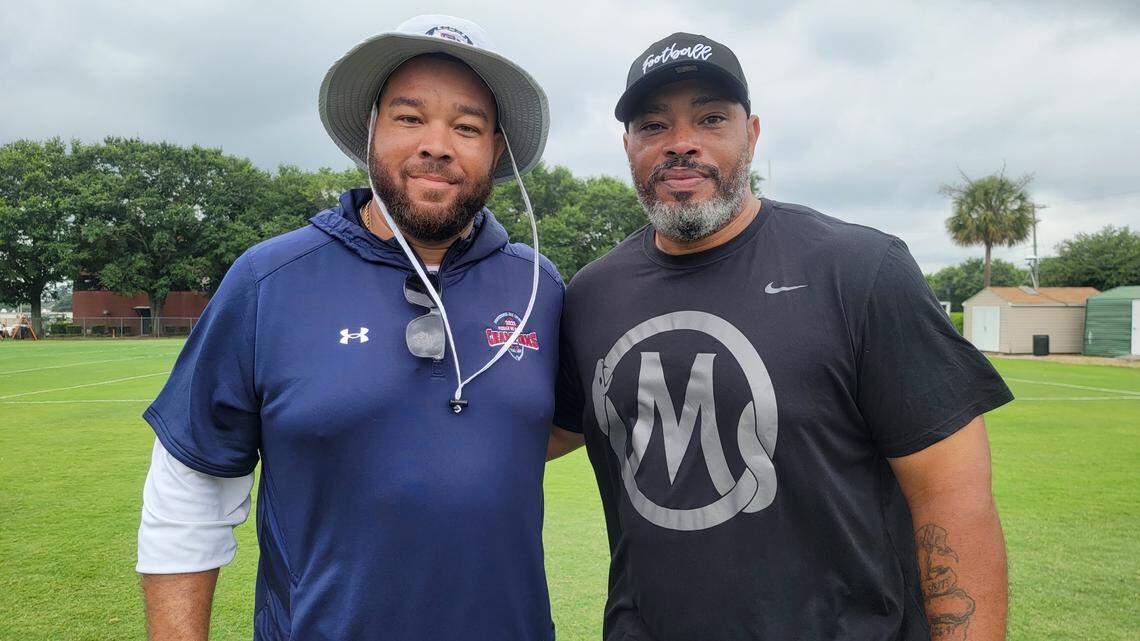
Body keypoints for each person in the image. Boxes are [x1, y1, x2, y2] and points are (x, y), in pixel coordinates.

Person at [549, 32, 1012, 641]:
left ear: (753, 134)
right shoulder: (590, 294)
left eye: (711, 119)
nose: (680, 144)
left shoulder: (858, 269)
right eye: (653, 125)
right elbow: (529, 434)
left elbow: (954, 502)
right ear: (628, 144)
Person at [137, 15, 563, 641]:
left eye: (467, 126)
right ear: (370, 131)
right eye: (409, 117)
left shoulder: (540, 287)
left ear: (496, 150)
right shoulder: (270, 278)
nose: (437, 145)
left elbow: (562, 425)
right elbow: (189, 488)